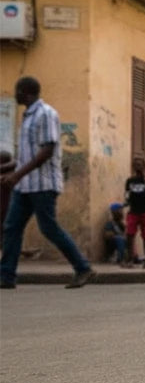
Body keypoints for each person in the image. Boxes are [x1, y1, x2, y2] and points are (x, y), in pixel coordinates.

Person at [0, 77, 95, 290]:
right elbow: (26, 156)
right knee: (11, 227)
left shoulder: (46, 114)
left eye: (17, 90)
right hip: (25, 186)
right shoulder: (27, 116)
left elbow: (47, 150)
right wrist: (9, 171)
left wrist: (16, 175)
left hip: (43, 184)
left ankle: (82, 267)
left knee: (49, 228)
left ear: (25, 92)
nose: (14, 94)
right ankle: (6, 276)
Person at [123, 155, 145, 268]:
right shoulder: (129, 181)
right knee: (129, 234)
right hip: (133, 211)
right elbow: (127, 195)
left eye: (140, 164)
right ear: (133, 167)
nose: (138, 166)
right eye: (136, 164)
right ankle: (130, 259)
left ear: (144, 166)